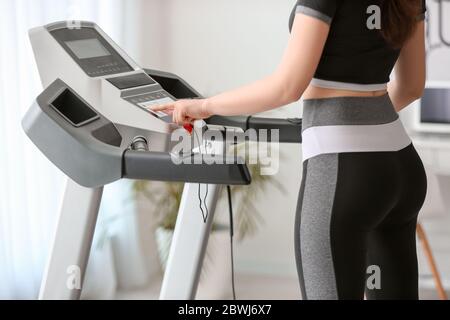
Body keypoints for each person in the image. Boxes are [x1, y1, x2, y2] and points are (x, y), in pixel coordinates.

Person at [152, 0, 428, 300]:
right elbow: (412, 87)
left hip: (344, 173)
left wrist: (202, 106)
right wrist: (361, 123)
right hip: (401, 166)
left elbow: (287, 87)